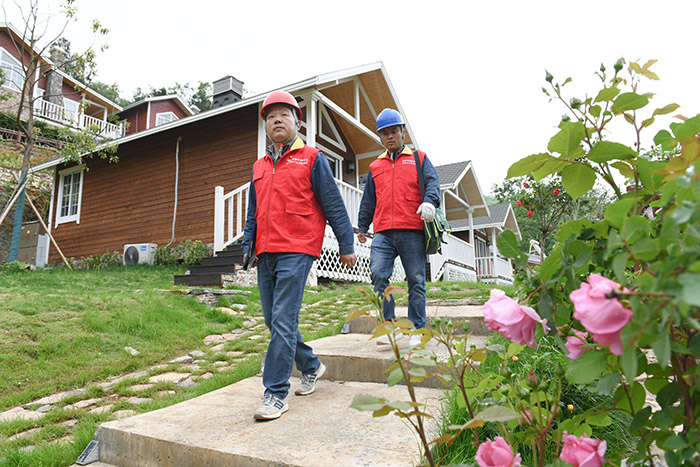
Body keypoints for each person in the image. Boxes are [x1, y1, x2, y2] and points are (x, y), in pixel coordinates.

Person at [241, 90, 357, 420]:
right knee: (274, 319)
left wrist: (347, 244)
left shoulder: (312, 158)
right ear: (266, 125)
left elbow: (333, 202)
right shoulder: (259, 166)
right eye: (271, 116)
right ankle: (311, 364)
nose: (277, 120)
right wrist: (248, 245)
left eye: (284, 115)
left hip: (298, 247)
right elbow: (253, 210)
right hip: (266, 250)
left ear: (297, 121)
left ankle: (275, 393)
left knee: (282, 319)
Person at [357, 108, 440, 348]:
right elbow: (368, 199)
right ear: (380, 137)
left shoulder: (419, 158)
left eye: (394, 131)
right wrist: (363, 225)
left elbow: (433, 183)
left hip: (412, 229)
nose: (390, 136)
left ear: (403, 132)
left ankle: (417, 329)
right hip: (382, 231)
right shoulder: (375, 166)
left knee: (415, 279)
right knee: (378, 274)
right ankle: (389, 325)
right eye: (385, 133)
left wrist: (429, 201)